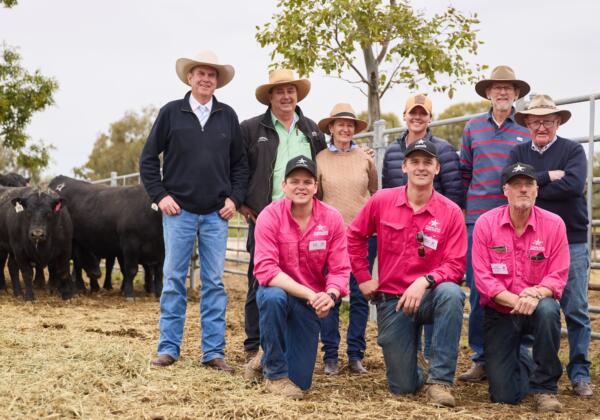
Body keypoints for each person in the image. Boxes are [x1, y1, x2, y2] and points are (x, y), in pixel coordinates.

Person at [140, 50, 248, 372]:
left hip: (217, 214)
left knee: (214, 282)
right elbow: (147, 160)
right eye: (200, 74)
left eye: (211, 75)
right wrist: (160, 196)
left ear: (217, 81)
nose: (205, 79)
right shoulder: (171, 113)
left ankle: (213, 352)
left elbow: (240, 165)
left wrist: (234, 199)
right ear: (189, 78)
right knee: (174, 279)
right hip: (179, 213)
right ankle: (168, 349)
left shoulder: (227, 116)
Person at [348, 139, 466, 407]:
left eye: (428, 162)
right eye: (415, 162)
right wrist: (364, 277)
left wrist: (425, 281)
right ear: (404, 166)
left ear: (437, 168)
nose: (421, 168)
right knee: (403, 388)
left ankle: (439, 382)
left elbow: (456, 264)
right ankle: (415, 365)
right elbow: (354, 236)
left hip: (431, 294)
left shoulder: (451, 212)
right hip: (393, 299)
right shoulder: (382, 200)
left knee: (451, 293)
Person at [508, 94, 593, 397]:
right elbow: (508, 187)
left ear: (557, 122)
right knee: (534, 304)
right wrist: (546, 177)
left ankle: (580, 372)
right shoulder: (518, 151)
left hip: (570, 239)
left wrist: (532, 187)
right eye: (535, 120)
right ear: (527, 123)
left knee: (576, 309)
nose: (541, 125)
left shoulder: (572, 150)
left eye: (547, 120)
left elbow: (573, 185)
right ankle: (536, 369)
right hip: (529, 242)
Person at [239, 68, 327, 362]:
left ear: (297, 95)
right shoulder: (251, 129)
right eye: (280, 91)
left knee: (304, 276)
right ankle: (254, 344)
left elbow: (322, 169)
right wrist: (241, 201)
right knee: (260, 279)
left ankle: (294, 341)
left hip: (304, 217)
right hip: (266, 217)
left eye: (291, 91)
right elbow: (238, 167)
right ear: (270, 97)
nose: (286, 96)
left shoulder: (312, 130)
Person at [247, 155, 350, 400]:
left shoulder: (332, 218)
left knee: (301, 382)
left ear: (316, 186)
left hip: (309, 303)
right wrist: (312, 294)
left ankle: (267, 351)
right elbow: (266, 269)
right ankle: (275, 376)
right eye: (294, 181)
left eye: (307, 181)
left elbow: (340, 269)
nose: (301, 187)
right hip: (287, 293)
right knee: (272, 297)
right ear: (284, 185)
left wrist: (331, 295)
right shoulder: (270, 216)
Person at [472, 162, 569, 412]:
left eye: (529, 184)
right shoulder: (485, 223)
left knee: (549, 310)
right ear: (505, 190)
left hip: (537, 305)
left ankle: (544, 389)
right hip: (501, 309)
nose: (523, 189)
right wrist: (517, 301)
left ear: (537, 189)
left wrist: (535, 294)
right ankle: (522, 357)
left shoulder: (554, 224)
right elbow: (483, 279)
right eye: (517, 185)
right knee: (504, 397)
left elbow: (558, 275)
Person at [458, 65, 531, 382]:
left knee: (521, 284)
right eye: (497, 87)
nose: (502, 92)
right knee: (479, 288)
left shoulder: (525, 130)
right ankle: (481, 357)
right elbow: (464, 173)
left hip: (517, 220)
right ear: (488, 93)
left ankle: (519, 354)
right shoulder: (473, 128)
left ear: (516, 94)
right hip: (478, 220)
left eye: (508, 88)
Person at [382, 92, 463, 360]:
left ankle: (432, 354)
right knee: (406, 287)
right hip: (400, 227)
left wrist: (440, 224)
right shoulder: (393, 151)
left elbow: (453, 191)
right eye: (412, 112)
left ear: (430, 118)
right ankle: (411, 352)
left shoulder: (444, 150)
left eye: (423, 113)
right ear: (404, 116)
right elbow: (386, 189)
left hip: (435, 228)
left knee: (438, 288)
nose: (417, 117)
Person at [315, 103, 378, 375]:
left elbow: (374, 191)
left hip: (363, 235)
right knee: (331, 295)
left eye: (350, 125)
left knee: (360, 295)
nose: (345, 129)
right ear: (331, 128)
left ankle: (355, 354)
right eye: (340, 124)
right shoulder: (320, 159)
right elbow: (315, 198)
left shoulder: (365, 158)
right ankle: (330, 355)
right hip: (331, 237)